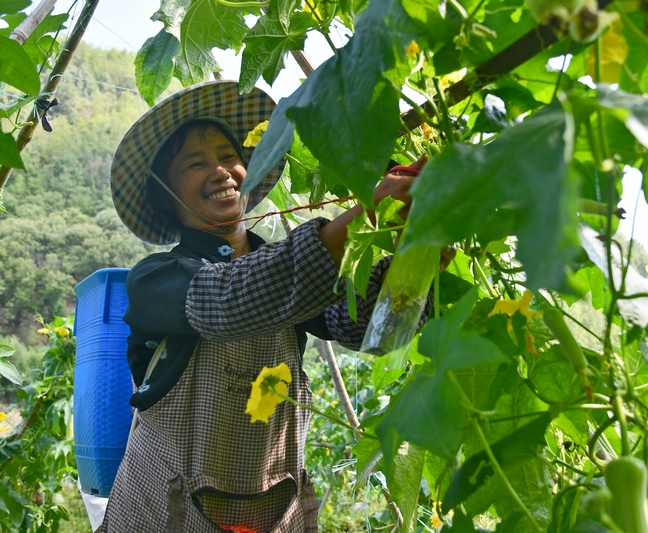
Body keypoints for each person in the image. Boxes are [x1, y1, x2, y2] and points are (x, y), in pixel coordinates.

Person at [102, 80, 450, 532]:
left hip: (271, 510)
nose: (222, 171)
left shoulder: (293, 276)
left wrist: (416, 260)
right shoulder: (156, 279)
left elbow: (372, 330)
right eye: (195, 163)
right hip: (162, 510)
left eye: (230, 157)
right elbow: (228, 300)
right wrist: (365, 212)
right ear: (166, 198)